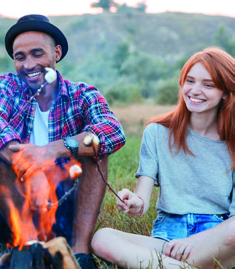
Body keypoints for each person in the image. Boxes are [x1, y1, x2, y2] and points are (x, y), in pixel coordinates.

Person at [0, 14, 126, 268]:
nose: (28, 64)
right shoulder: (7, 85)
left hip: (65, 209)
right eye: (20, 57)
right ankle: (27, 248)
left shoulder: (81, 93)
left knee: (94, 148)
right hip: (13, 212)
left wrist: (52, 150)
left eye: (37, 53)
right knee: (1, 155)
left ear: (56, 52)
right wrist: (26, 162)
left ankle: (79, 253)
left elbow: (112, 131)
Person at [91, 47, 235, 268]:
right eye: (190, 81)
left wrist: (193, 242)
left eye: (208, 85)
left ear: (225, 92)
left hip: (215, 239)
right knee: (102, 239)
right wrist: (134, 202)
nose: (195, 91)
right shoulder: (158, 132)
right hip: (167, 240)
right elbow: (142, 201)